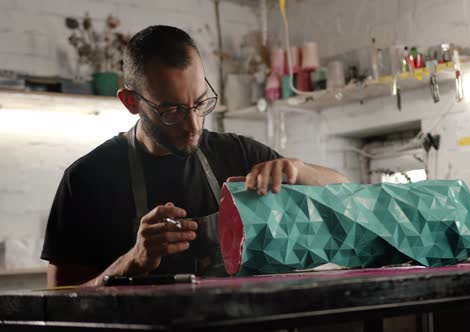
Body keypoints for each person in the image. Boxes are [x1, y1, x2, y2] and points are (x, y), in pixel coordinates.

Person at [41, 26, 349, 287]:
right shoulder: (85, 180)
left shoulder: (237, 153)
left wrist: (298, 168)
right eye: (172, 110)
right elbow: (58, 304)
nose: (193, 125)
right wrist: (132, 261)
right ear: (131, 102)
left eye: (200, 103)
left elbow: (345, 191)